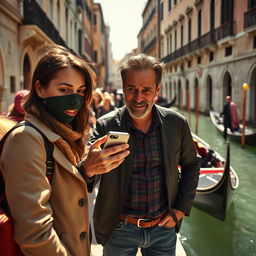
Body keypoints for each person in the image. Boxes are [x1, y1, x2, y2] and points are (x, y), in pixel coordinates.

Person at [0, 44, 129, 255]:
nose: (74, 99)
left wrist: (86, 170)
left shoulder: (63, 134)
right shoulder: (27, 139)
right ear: (40, 88)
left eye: (80, 91)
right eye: (64, 89)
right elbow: (35, 233)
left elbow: (58, 193)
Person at [88, 54, 200, 256]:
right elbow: (86, 176)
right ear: (123, 87)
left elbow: (191, 164)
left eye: (146, 90)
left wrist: (181, 208)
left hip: (163, 229)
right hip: (119, 229)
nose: (138, 98)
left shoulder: (177, 123)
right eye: (132, 89)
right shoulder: (105, 125)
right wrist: (89, 167)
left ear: (157, 90)